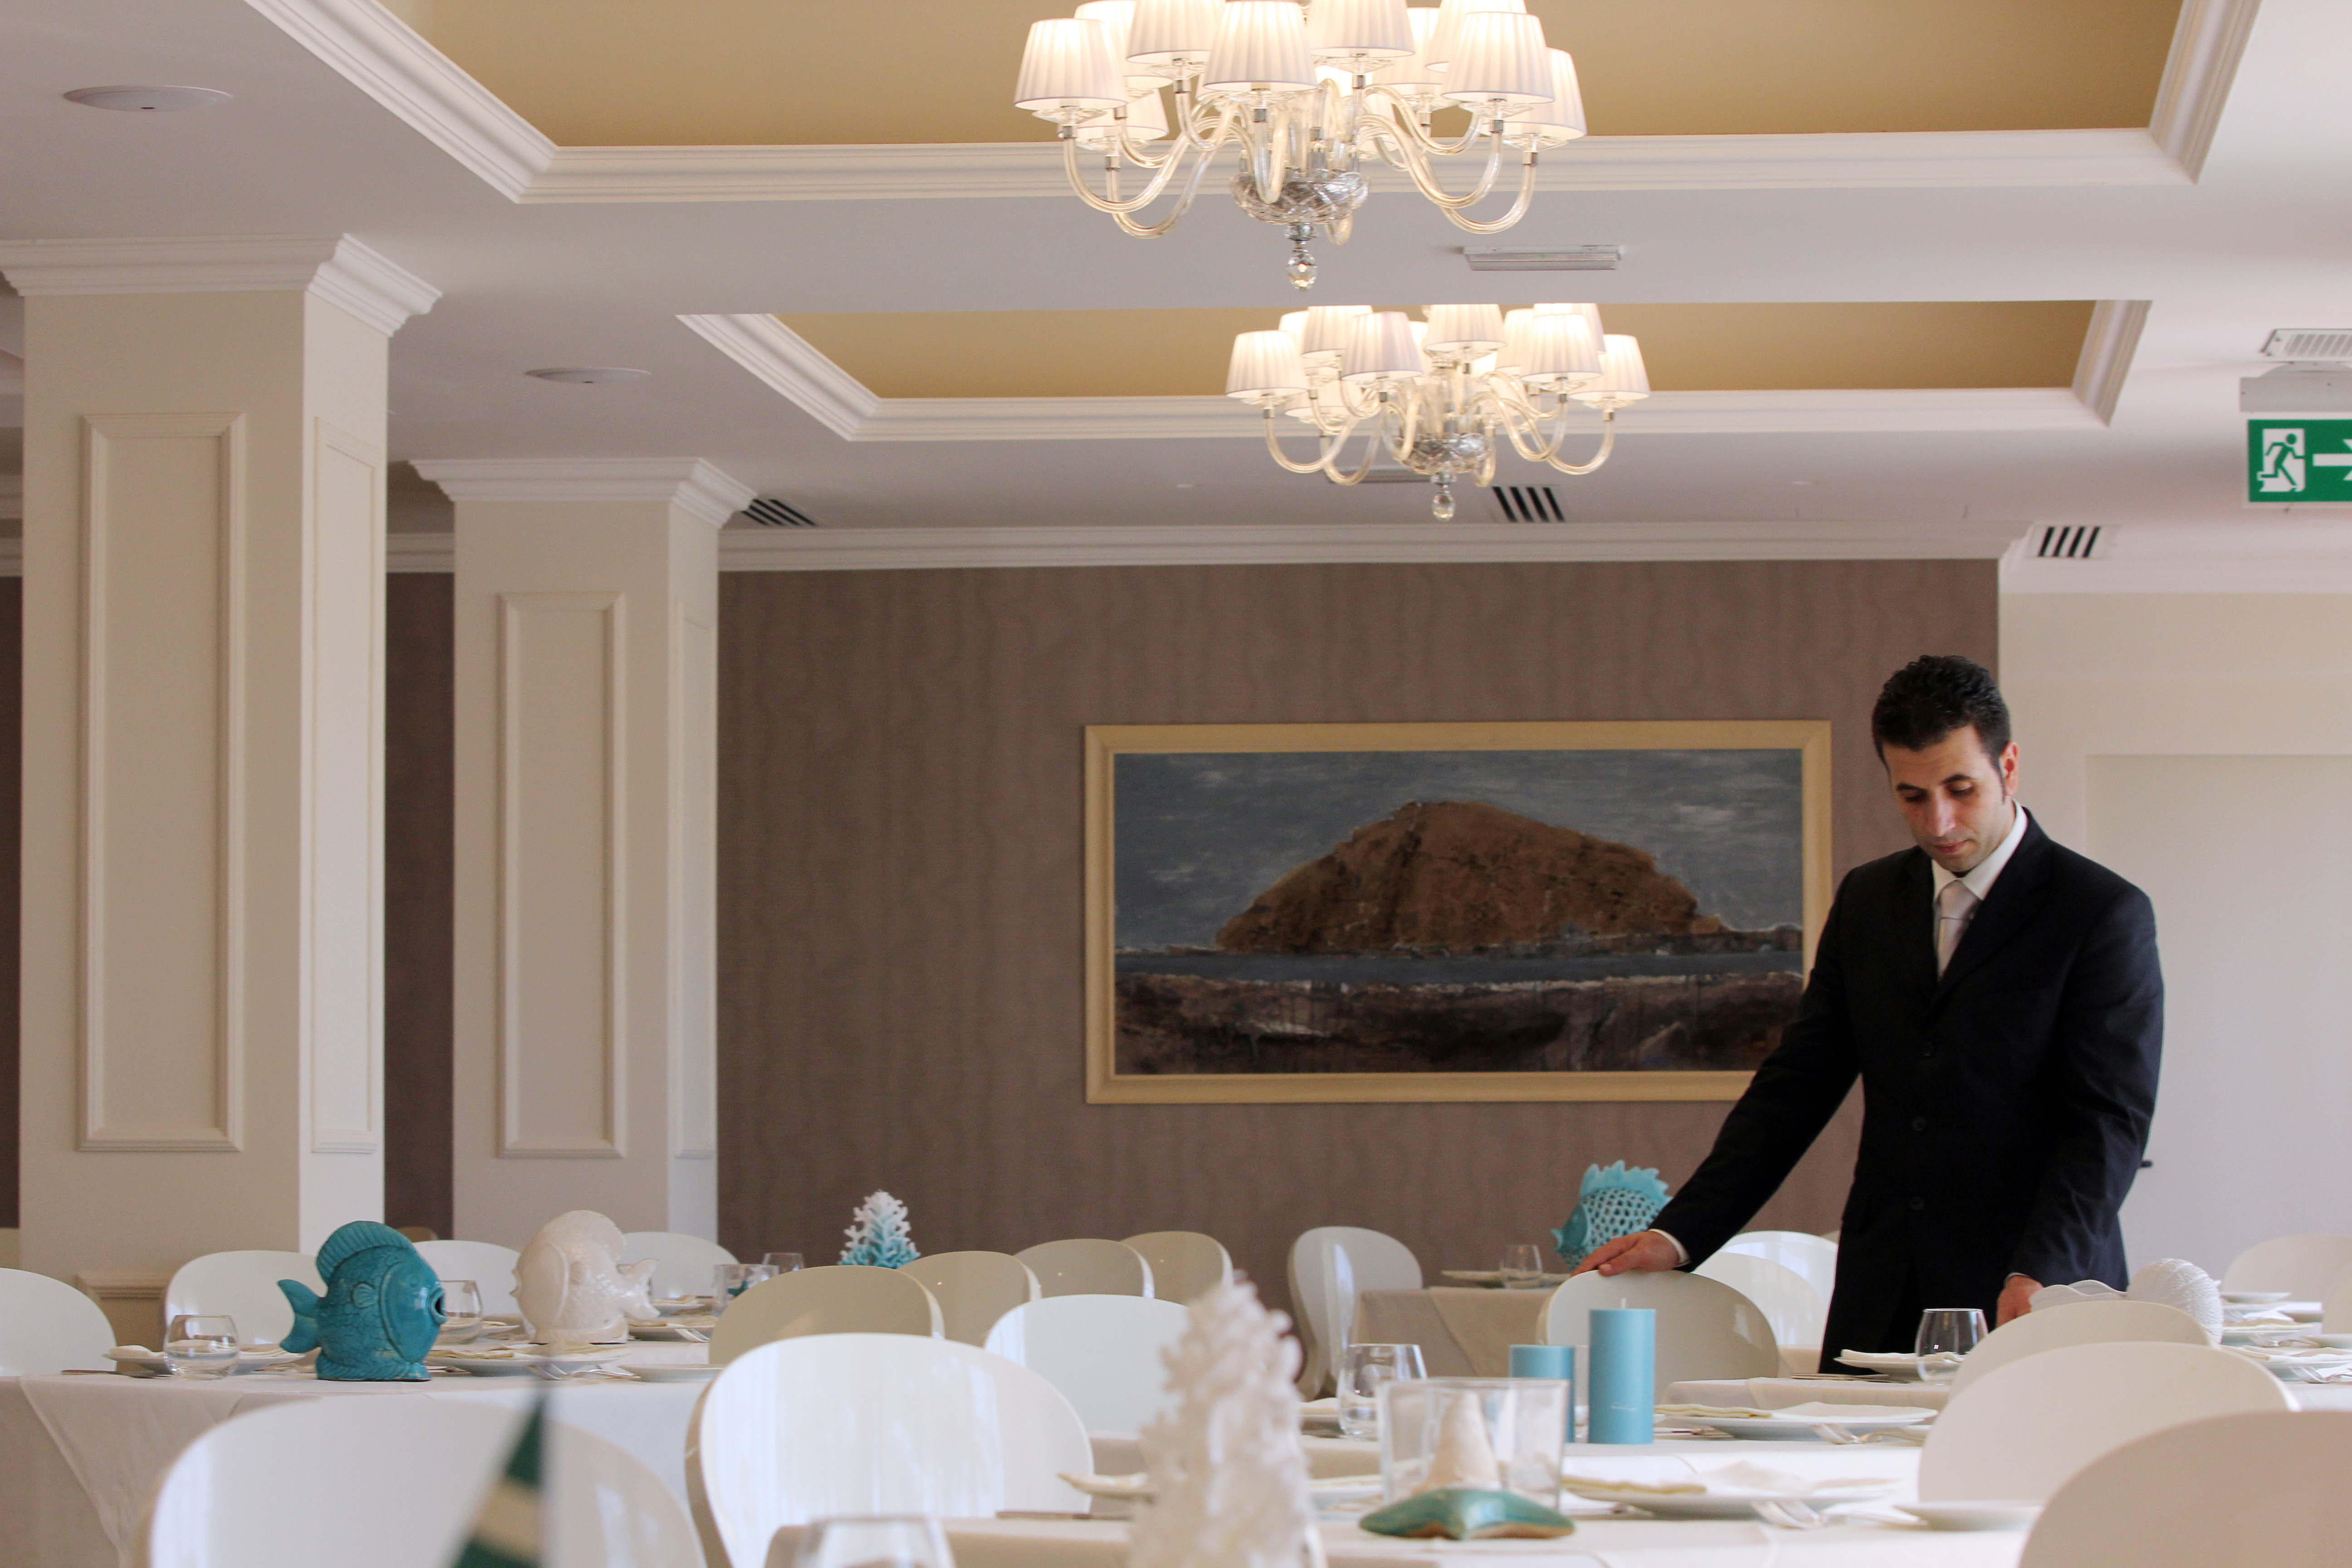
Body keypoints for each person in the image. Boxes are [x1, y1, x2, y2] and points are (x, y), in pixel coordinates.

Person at [1574, 655, 2162, 1362]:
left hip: (2034, 1285)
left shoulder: (2101, 912)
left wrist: (2043, 1269)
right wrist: (1683, 1232)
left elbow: (2107, 1122)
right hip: (1884, 1283)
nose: (1939, 821)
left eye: (1960, 788)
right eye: (1912, 796)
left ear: (2009, 766)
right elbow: (1797, 1084)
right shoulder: (1867, 900)